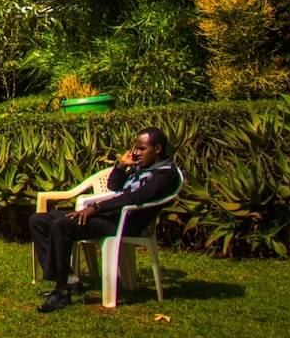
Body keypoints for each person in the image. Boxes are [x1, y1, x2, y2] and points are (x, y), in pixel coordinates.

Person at [28, 126, 180, 313]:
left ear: (157, 149)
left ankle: (61, 292)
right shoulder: (142, 167)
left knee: (62, 225)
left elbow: (134, 198)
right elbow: (114, 186)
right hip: (111, 216)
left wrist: (95, 208)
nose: (136, 152)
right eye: (135, 148)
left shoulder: (166, 174)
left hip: (125, 223)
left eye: (141, 148)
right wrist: (121, 165)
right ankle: (69, 278)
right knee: (38, 221)